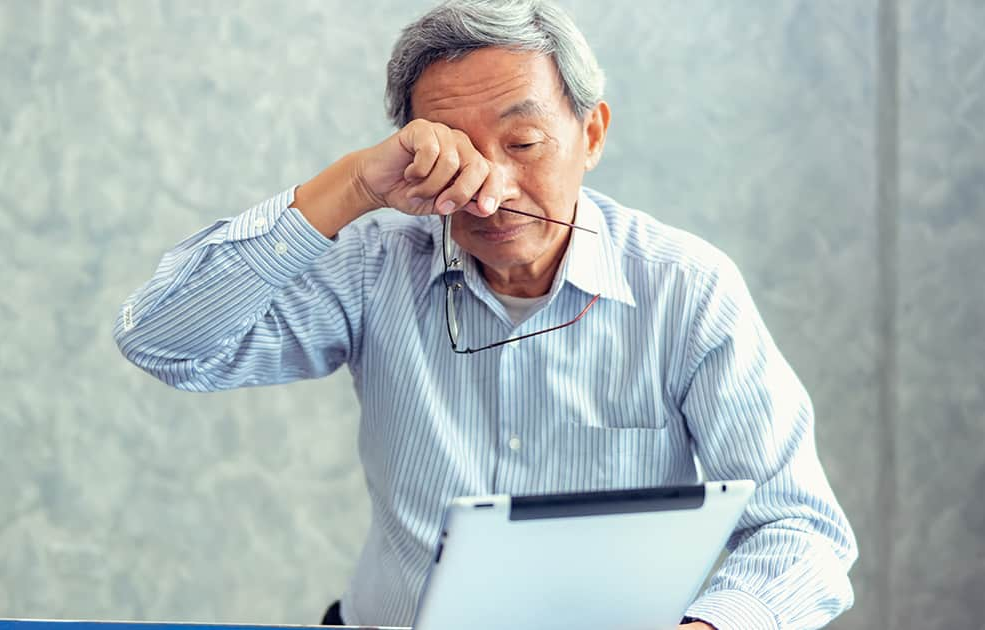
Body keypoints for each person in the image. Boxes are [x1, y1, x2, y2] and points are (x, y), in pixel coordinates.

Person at [113, 1, 857, 628]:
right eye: (454, 154)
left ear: (592, 135)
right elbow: (163, 342)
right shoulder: (377, 262)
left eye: (524, 144)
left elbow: (801, 529)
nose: (489, 191)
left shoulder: (685, 290)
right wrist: (350, 186)